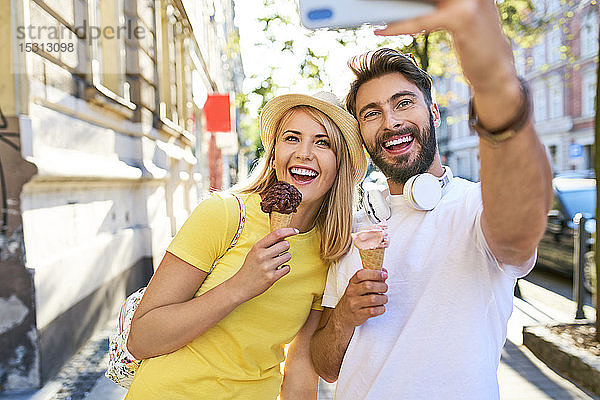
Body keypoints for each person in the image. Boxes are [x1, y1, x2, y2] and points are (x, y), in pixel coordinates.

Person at [309, 0, 553, 398]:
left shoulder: (477, 209)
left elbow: (518, 233)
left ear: (434, 113)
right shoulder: (354, 226)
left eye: (403, 103)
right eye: (371, 113)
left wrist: (492, 79)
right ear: (362, 134)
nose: (391, 122)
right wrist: (343, 318)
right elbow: (326, 366)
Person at [124, 92, 367, 400]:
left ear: (339, 164)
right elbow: (142, 338)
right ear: (275, 152)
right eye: (292, 138)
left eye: (322, 143)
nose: (304, 153)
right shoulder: (223, 214)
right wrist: (240, 286)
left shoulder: (330, 249)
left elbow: (300, 367)